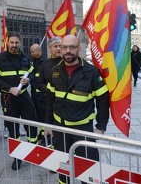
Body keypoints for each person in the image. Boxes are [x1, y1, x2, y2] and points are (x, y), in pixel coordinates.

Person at [45, 35, 110, 184]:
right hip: (60, 128)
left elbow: (102, 102)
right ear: (60, 49)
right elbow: (49, 100)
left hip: (83, 130)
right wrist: (48, 124)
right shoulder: (55, 71)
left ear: (79, 49)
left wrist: (100, 127)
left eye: (72, 47)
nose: (68, 51)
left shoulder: (92, 72)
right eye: (65, 47)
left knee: (88, 171)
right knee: (63, 169)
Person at [0, 32, 38, 170]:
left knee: (31, 123)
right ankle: (17, 157)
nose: (14, 45)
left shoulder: (25, 58)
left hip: (23, 95)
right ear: (7, 42)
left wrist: (29, 80)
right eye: (12, 42)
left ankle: (32, 152)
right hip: (9, 97)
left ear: (20, 43)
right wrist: (10, 88)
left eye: (17, 42)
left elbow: (33, 74)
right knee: (13, 128)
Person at [37, 36, 62, 146]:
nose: (58, 49)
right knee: (47, 119)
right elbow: (39, 83)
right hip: (48, 99)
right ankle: (46, 138)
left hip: (63, 100)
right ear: (49, 48)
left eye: (60, 46)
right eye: (55, 46)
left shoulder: (65, 62)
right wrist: (48, 90)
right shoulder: (45, 64)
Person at [29, 43, 47, 142]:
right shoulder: (33, 61)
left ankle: (46, 134)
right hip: (34, 93)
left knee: (43, 114)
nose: (31, 54)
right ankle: (41, 132)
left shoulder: (45, 61)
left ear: (38, 50)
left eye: (33, 51)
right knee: (37, 114)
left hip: (42, 94)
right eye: (31, 52)